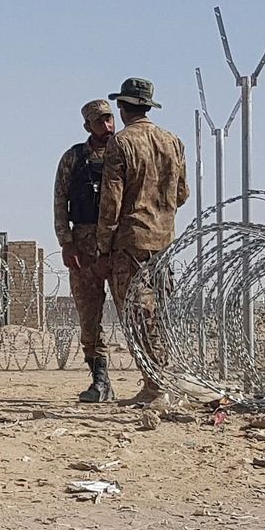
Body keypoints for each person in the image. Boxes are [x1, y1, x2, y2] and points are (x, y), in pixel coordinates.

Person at [96, 77, 191, 405]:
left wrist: (103, 243)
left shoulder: (120, 144)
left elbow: (112, 201)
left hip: (131, 240)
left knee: (135, 314)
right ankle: (165, 381)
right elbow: (182, 193)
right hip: (164, 241)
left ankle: (155, 386)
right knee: (160, 312)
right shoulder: (173, 142)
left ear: (122, 108)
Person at [53, 99, 117, 403]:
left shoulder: (124, 153)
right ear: (87, 126)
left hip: (119, 244)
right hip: (83, 243)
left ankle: (151, 380)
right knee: (89, 316)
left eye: (110, 120)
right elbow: (60, 202)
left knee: (136, 313)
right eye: (100, 121)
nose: (107, 127)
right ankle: (100, 380)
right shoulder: (74, 159)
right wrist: (66, 242)